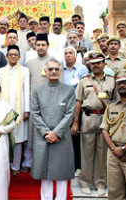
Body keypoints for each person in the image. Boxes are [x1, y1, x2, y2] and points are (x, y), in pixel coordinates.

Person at [29, 58, 76, 200]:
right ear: (45, 71)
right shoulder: (37, 91)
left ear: (61, 71)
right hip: (43, 137)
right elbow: (35, 113)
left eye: (56, 69)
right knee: (45, 172)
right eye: (50, 69)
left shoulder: (68, 91)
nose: (53, 71)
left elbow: (70, 114)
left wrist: (56, 133)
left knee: (61, 173)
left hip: (62, 138)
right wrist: (46, 132)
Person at [72, 52, 116, 196]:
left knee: (102, 152)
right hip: (88, 117)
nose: (96, 65)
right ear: (89, 64)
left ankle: (100, 183)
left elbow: (115, 104)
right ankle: (85, 182)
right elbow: (78, 103)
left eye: (99, 62)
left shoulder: (111, 80)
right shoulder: (84, 81)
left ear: (104, 63)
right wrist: (76, 123)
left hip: (105, 118)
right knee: (86, 151)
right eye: (93, 63)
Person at [100, 69, 126, 200]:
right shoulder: (111, 107)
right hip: (114, 154)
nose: (122, 85)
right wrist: (115, 150)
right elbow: (104, 129)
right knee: (114, 193)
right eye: (119, 83)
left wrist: (124, 149)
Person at [0, 45, 30, 175]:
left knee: (17, 139)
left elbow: (26, 90)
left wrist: (26, 110)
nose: (13, 56)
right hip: (4, 109)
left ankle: (15, 166)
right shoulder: (1, 71)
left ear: (19, 57)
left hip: (19, 109)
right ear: (6, 56)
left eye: (15, 54)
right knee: (4, 138)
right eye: (10, 54)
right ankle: (5, 165)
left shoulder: (25, 71)